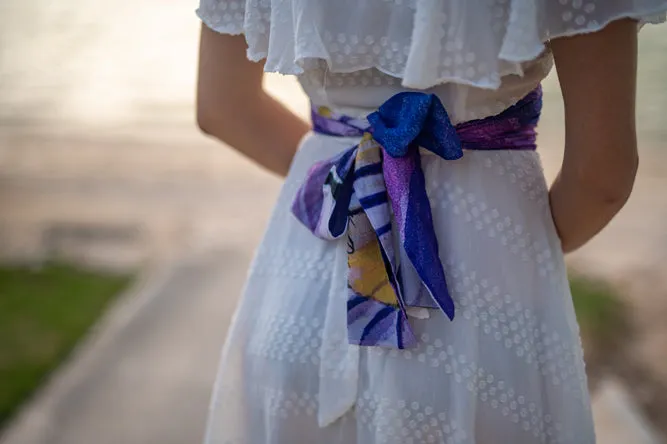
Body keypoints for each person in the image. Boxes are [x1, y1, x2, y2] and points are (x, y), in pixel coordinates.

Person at [196, 1, 666, 443]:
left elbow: (224, 109)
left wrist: (362, 193)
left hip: (304, 288)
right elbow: (601, 174)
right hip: (483, 296)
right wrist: (525, 250)